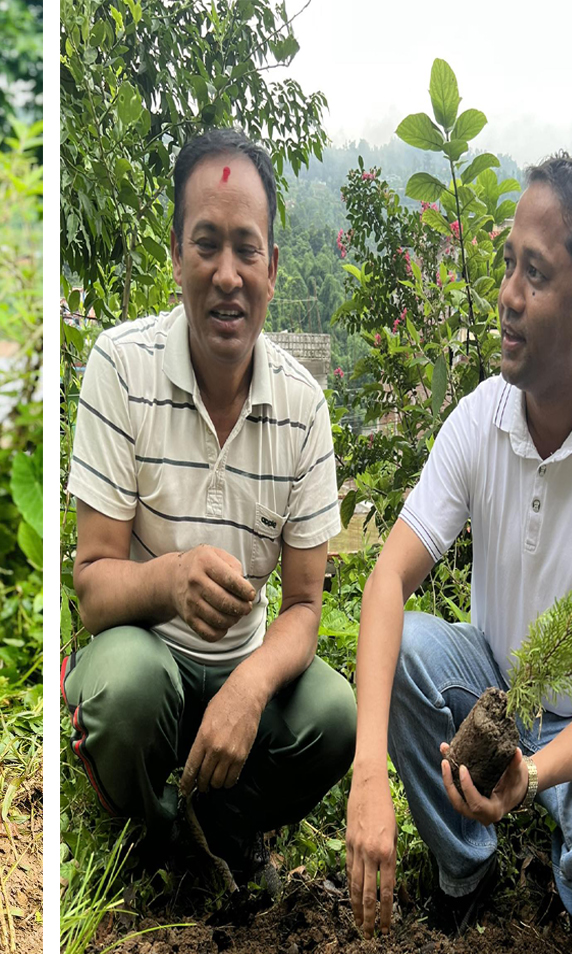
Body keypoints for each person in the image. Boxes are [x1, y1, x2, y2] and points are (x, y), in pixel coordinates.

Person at [345, 155, 572, 936]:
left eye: (536, 273)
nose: (508, 296)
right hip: (490, 690)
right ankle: (468, 866)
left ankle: (566, 872)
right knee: (405, 652)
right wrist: (366, 774)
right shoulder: (480, 418)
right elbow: (389, 576)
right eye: (507, 265)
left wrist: (535, 776)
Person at [63, 128, 355, 887]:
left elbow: (303, 609)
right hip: (146, 654)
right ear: (176, 256)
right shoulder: (120, 370)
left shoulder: (304, 407)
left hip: (244, 667)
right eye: (206, 245)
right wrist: (172, 578)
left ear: (272, 268)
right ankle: (159, 837)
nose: (227, 274)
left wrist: (250, 689)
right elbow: (93, 584)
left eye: (246, 248)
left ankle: (228, 825)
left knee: (333, 716)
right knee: (125, 687)